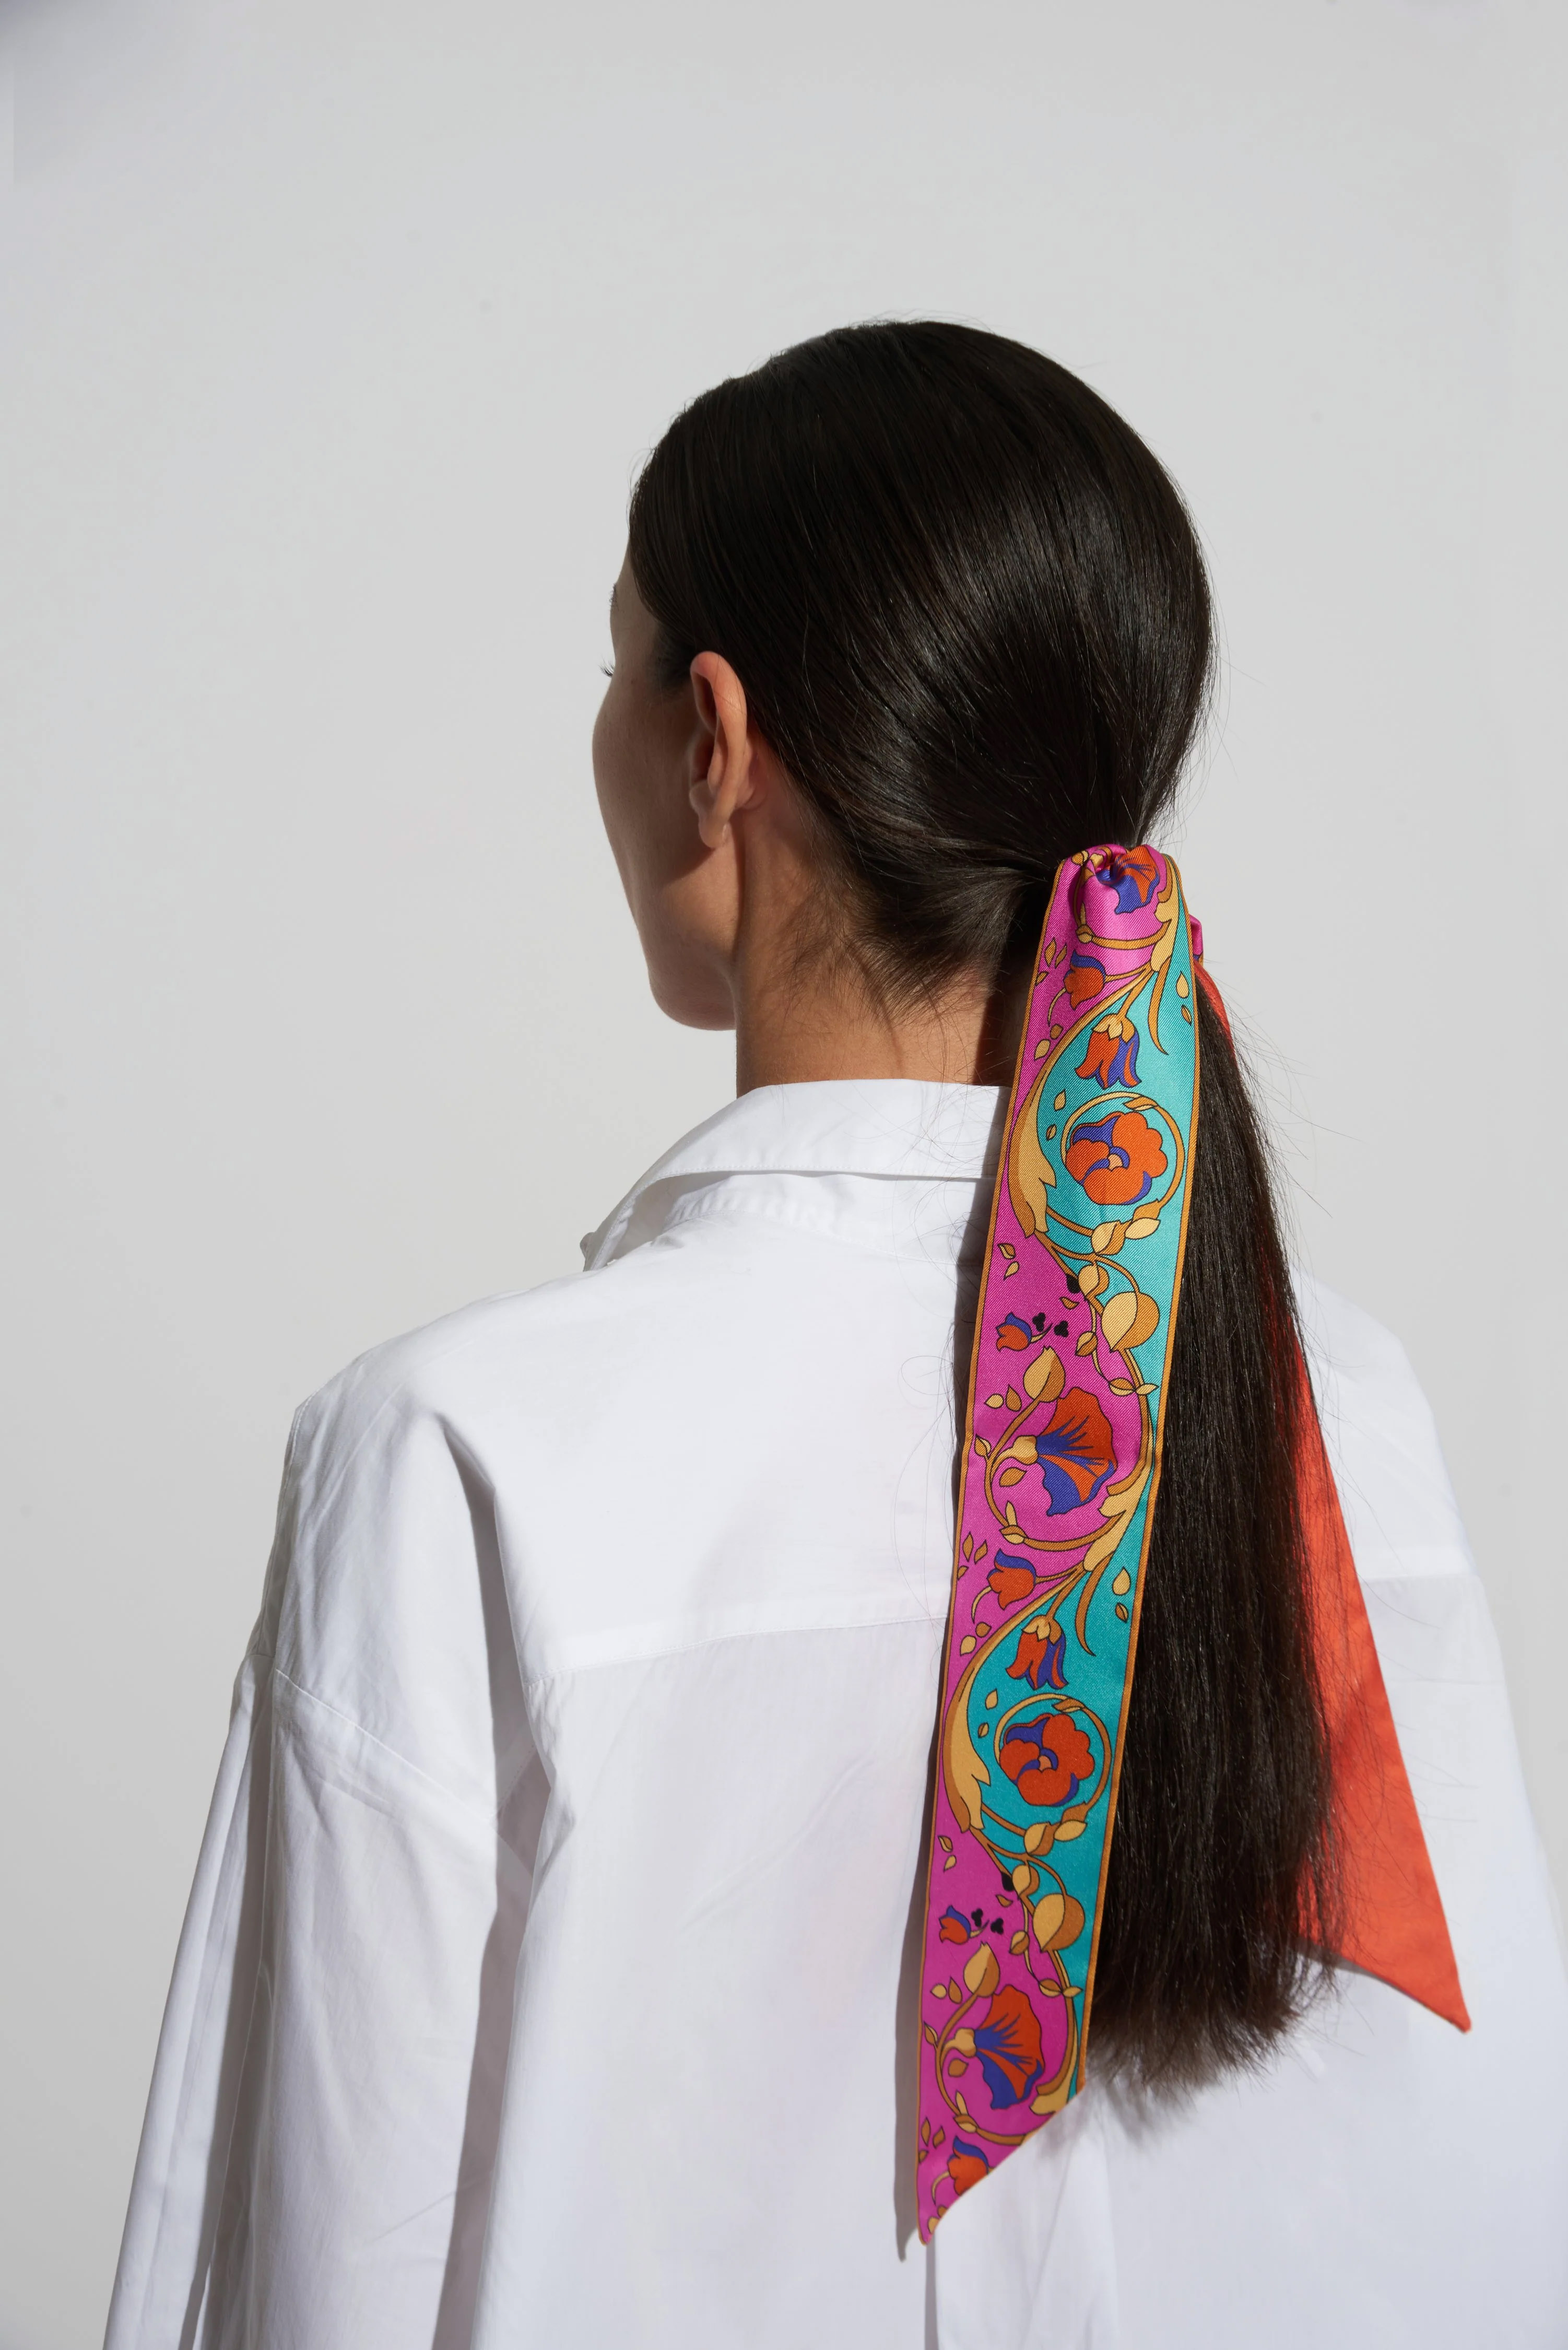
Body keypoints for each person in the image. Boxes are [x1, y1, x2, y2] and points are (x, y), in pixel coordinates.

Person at [105, 323, 1567, 2350]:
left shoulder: (460, 1460)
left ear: (713, 738)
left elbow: (312, 2269)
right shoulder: (1338, 1406)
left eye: (615, 668)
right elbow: (1473, 2202)